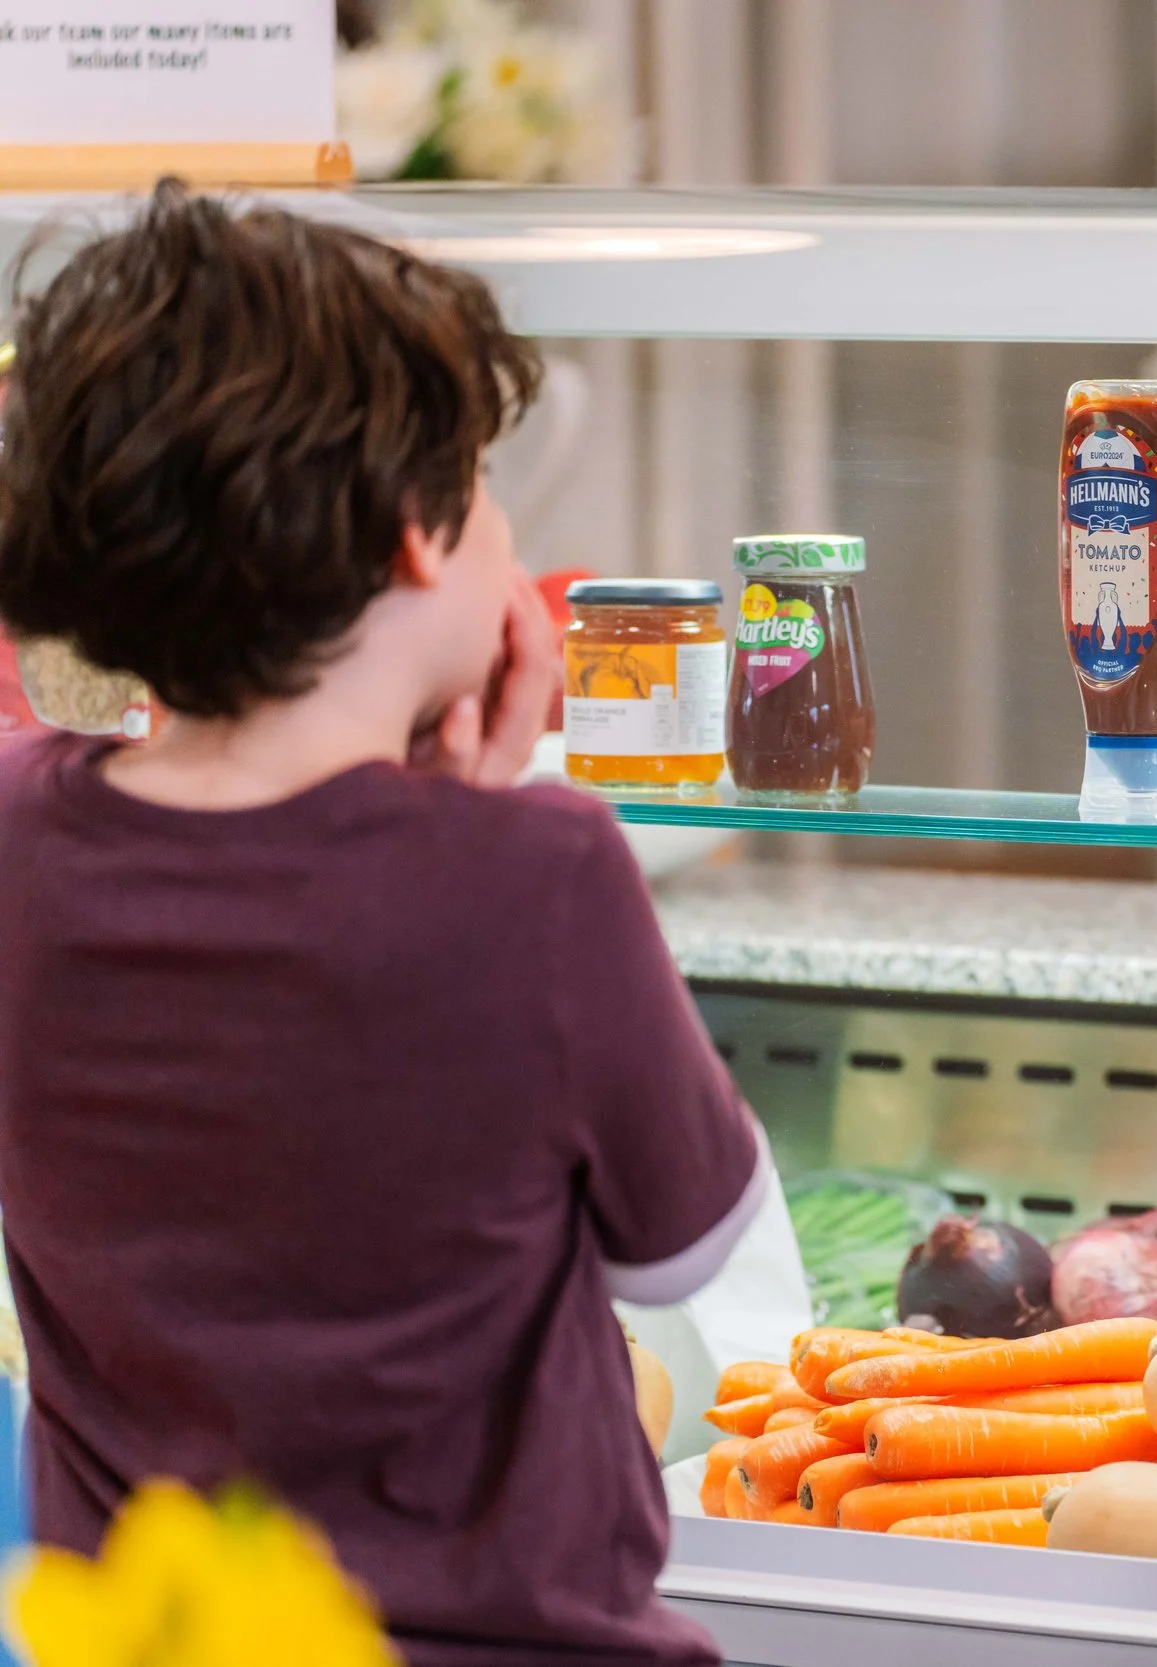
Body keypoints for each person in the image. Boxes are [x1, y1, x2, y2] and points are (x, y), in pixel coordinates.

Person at [0, 182, 761, 1665]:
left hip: (147, 1638)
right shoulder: (539, 876)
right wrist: (485, 816)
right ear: (420, 528)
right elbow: (690, 1249)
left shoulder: (17, 838)